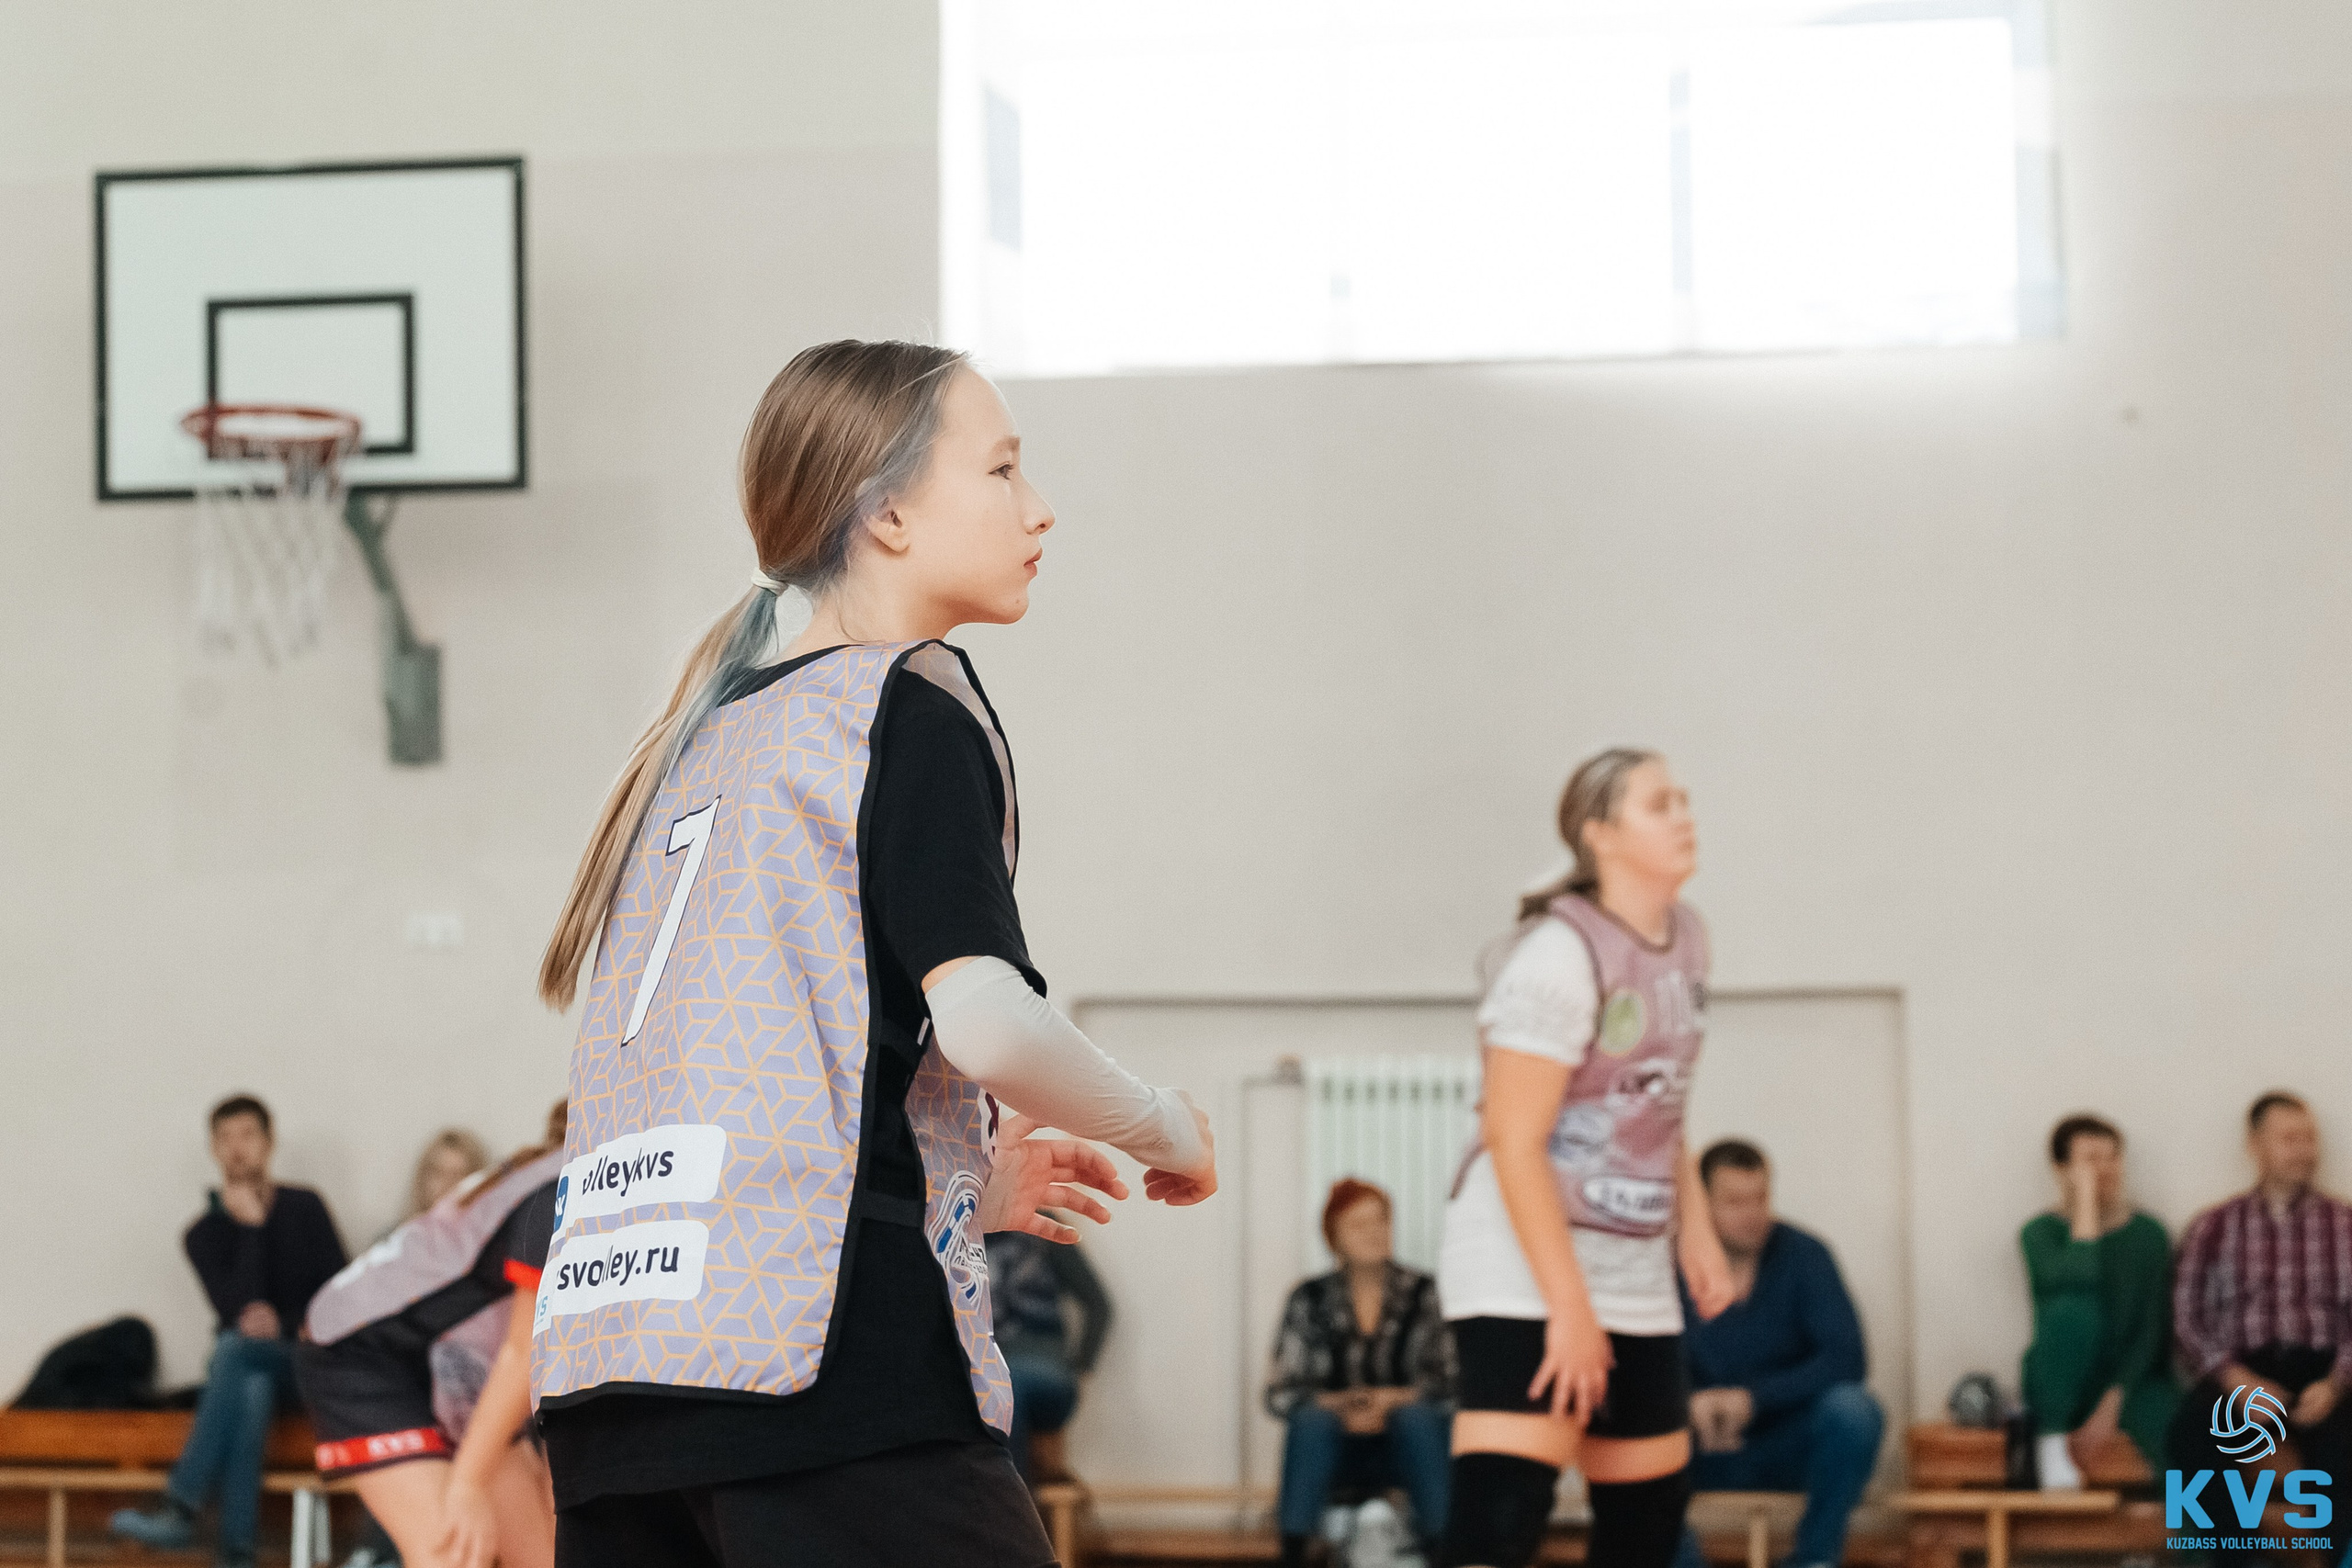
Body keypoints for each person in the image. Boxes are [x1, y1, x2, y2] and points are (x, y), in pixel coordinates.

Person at [529, 339, 1220, 1568]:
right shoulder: (903, 702)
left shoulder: (708, 739)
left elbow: (757, 1066)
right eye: (1001, 469)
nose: (1039, 506)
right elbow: (988, 1023)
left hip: (612, 1379)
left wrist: (956, 1184)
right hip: (823, 1374)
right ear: (887, 514)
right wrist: (1163, 1125)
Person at [1437, 749, 1736, 1568]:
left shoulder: (1689, 938)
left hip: (1630, 1253)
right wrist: (1567, 1307)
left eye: (1684, 798)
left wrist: (1696, 1226)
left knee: (1648, 1520)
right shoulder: (1557, 956)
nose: (1684, 815)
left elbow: (1658, 1099)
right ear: (1599, 833)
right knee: (1500, 1521)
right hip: (1522, 1258)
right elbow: (1512, 1137)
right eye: (1659, 803)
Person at [295, 1101, 569, 1568]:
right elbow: (522, 1355)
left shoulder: (554, 1175)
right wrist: (467, 1485)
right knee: (452, 1554)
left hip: (450, 1354)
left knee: (543, 1556)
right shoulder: (558, 1190)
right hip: (360, 1350)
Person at [111, 1095, 347, 1568]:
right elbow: (235, 1308)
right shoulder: (202, 1234)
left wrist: (282, 1324)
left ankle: (182, 1505)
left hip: (309, 1365)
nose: (237, 1148)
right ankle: (236, 1554)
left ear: (269, 1143)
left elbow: (340, 1295)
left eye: (248, 1135)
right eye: (225, 1138)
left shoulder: (305, 1206)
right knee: (249, 1379)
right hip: (248, 1369)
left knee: (234, 1350)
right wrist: (251, 1229)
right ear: (214, 1150)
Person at [1668, 1141, 1882, 1568]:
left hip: (1784, 1445)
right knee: (1632, 1427)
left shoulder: (1805, 1256)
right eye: (1734, 1202)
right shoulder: (1666, 1264)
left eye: (1760, 1198)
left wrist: (1753, 1399)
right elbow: (1633, 1366)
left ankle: (1815, 1559)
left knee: (1854, 1411)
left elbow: (1847, 1359)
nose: (1752, 1214)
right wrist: (1686, 1404)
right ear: (1700, 1205)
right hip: (1692, 1449)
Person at [2167, 1092, 2351, 1560]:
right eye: (2289, 1139)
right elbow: (2187, 1318)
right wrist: (2236, 1380)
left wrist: (2336, 1383)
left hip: (2324, 1373)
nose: (2304, 1150)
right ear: (2255, 1146)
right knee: (2190, 1438)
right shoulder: (2214, 1227)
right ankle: (2236, 1558)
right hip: (2242, 1372)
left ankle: (2329, 1559)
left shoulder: (2345, 1224)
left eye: (2309, 1139)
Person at [1266, 1178, 1454, 1568]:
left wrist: (1392, 1401)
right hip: (1335, 1446)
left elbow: (1451, 1382)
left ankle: (1443, 1549)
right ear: (1333, 1236)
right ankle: (1294, 1552)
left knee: (1416, 1418)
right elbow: (1280, 1392)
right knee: (1312, 1422)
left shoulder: (1425, 1293)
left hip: (1409, 1444)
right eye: (1358, 1224)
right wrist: (1344, 1405)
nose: (1373, 1232)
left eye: (1380, 1220)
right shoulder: (1309, 1299)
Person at [2017, 1113, 2176, 1488]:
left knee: (2182, 1432)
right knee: (2071, 1309)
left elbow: (2153, 1330)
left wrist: (2112, 1403)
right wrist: (2085, 1208)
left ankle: (2204, 1531)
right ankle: (2052, 1440)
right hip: (2059, 1379)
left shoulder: (2149, 1235)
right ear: (2062, 1170)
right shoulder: (2039, 1234)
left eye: (2112, 1158)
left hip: (2132, 1381)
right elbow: (2075, 1286)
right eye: (2090, 1160)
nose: (2104, 1169)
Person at [986, 1221, 1113, 1483]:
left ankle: (1015, 1496)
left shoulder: (1044, 1226)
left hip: (1037, 1363)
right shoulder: (961, 1225)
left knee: (1004, 1385)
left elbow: (1099, 1306)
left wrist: (1081, 1368)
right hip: (987, 1364)